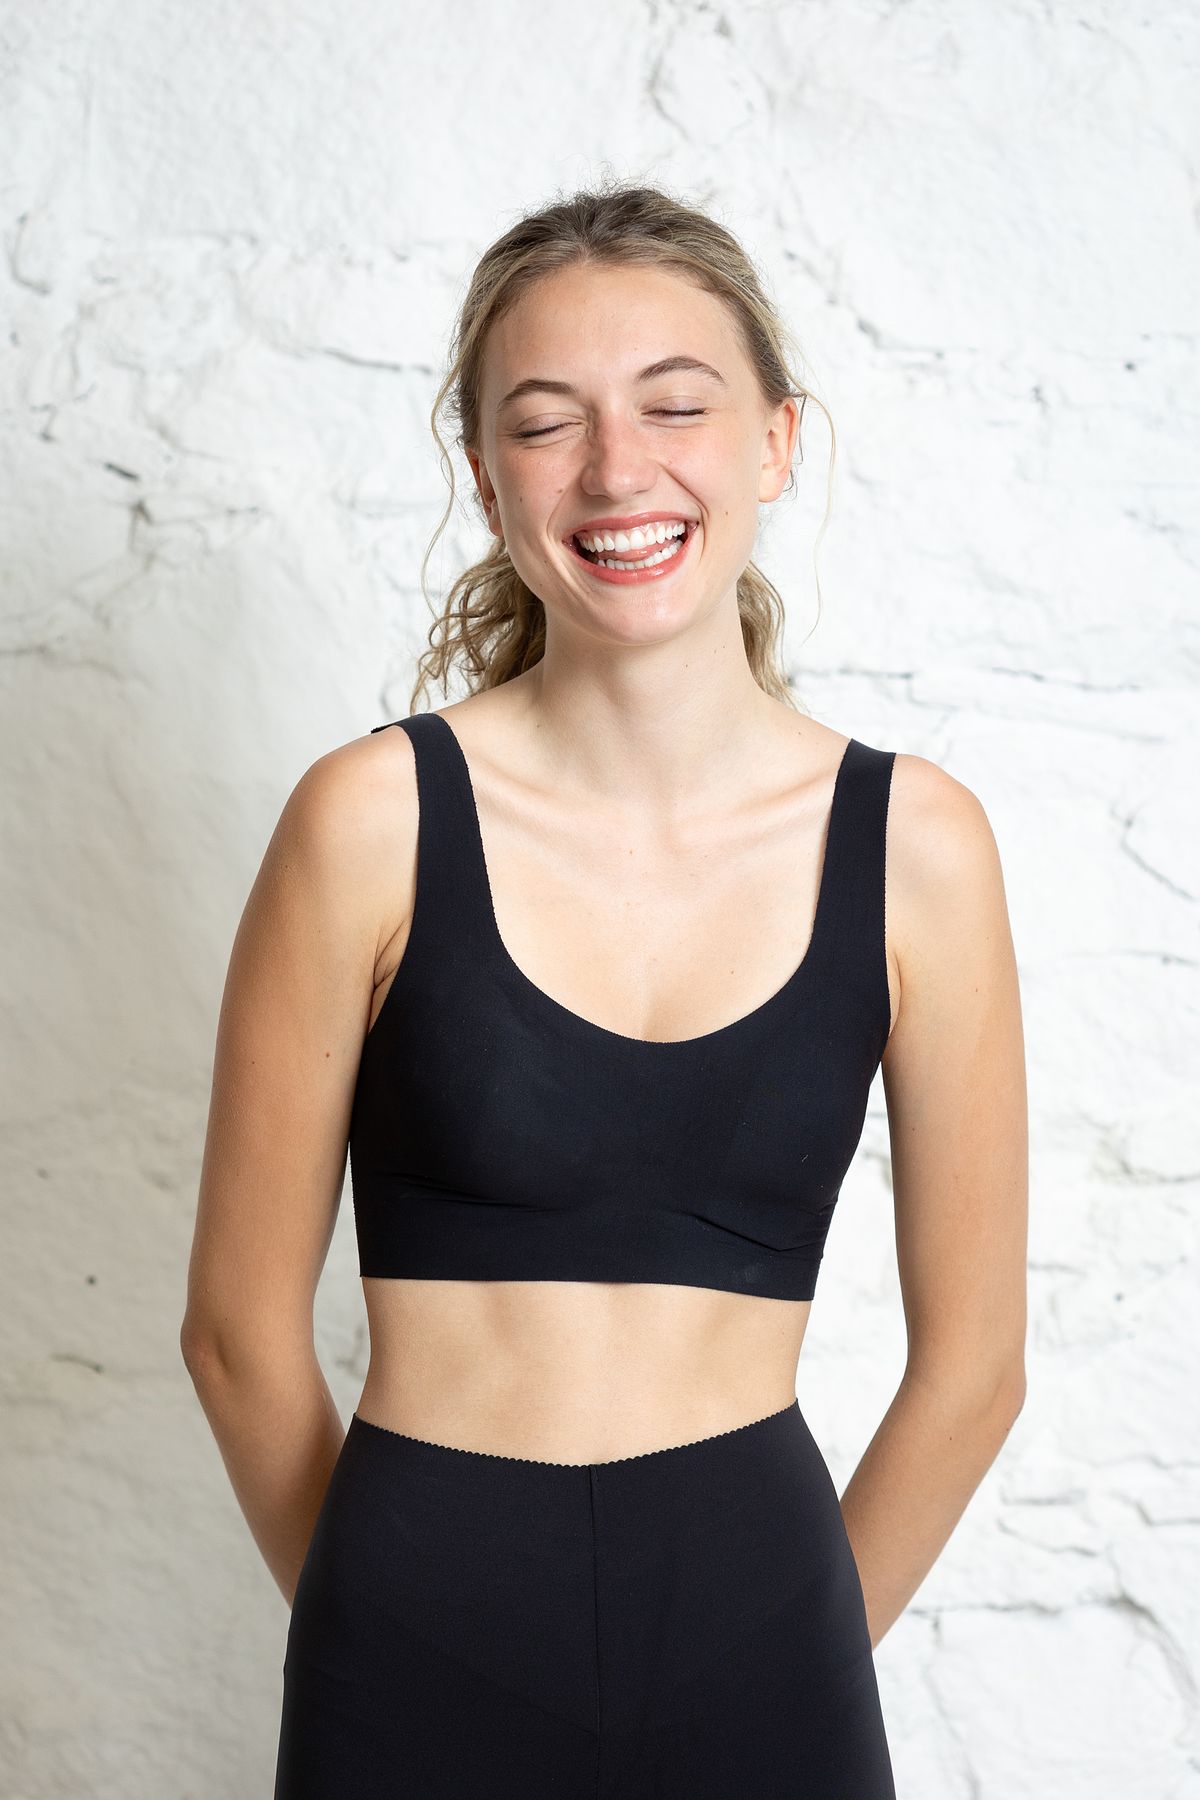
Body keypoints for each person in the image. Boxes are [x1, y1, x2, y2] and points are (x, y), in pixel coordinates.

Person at [181, 180, 1028, 1799]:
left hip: (761, 1628)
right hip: (413, 1631)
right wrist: (382, 1633)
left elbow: (977, 1365)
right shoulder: (368, 824)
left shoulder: (919, 847)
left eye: (675, 405)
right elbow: (235, 1334)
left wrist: (786, 1652)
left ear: (775, 441)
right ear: (486, 473)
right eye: (545, 421)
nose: (618, 469)